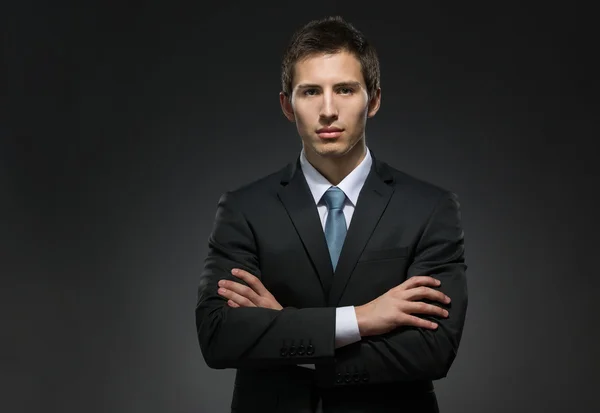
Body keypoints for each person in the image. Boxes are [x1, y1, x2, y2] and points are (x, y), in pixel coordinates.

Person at [195, 15, 468, 413]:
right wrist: (361, 319)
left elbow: (433, 349)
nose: (327, 110)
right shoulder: (244, 209)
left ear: (373, 99)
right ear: (288, 106)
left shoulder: (430, 208)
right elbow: (218, 336)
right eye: (310, 92)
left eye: (344, 89)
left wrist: (286, 333)